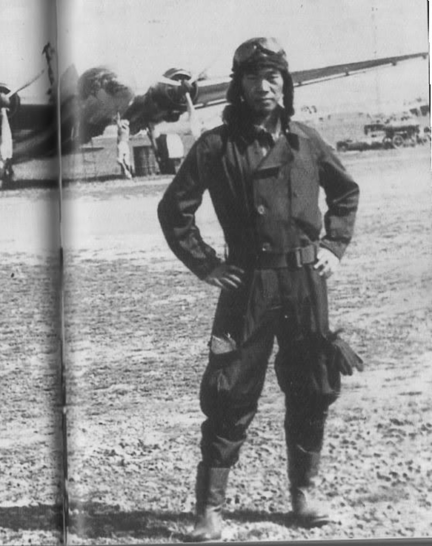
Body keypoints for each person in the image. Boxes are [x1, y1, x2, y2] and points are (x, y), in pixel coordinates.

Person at [157, 37, 360, 541]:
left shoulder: (305, 140)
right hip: (246, 285)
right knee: (230, 393)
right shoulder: (216, 146)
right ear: (238, 85)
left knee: (313, 384)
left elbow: (345, 192)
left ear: (285, 84)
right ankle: (209, 509)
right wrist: (205, 265)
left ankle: (304, 495)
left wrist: (333, 246)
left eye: (273, 77)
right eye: (253, 78)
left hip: (304, 283)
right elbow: (174, 210)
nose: (263, 87)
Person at [116, 115, 135, 179]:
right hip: (125, 144)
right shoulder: (127, 129)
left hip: (121, 144)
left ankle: (126, 172)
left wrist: (118, 115)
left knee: (120, 160)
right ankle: (129, 173)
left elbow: (118, 123)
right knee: (126, 160)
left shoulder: (121, 129)